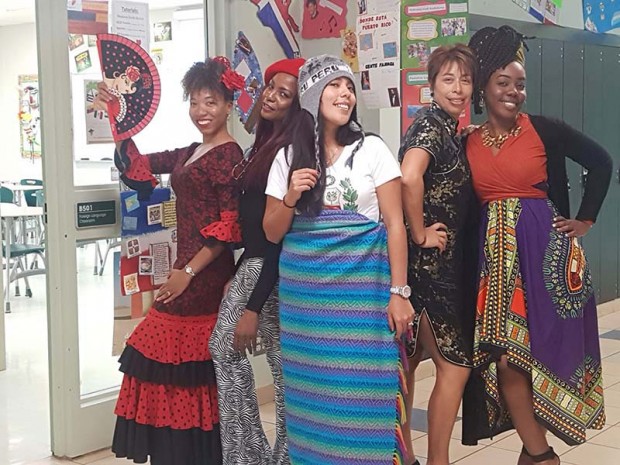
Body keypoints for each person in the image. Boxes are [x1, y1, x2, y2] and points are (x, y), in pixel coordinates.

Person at [462, 26, 611, 465]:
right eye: (503, 83)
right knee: (507, 360)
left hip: (548, 260)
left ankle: (535, 455)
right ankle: (541, 455)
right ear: (484, 86)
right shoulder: (467, 141)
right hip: (497, 265)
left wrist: (584, 220)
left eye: (520, 84)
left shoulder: (543, 130)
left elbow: (601, 162)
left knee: (538, 356)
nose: (514, 92)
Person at [263, 55, 415, 464]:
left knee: (360, 391)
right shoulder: (287, 157)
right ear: (313, 94)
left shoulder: (372, 149)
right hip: (306, 310)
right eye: (335, 85)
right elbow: (272, 232)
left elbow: (394, 225)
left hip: (362, 300)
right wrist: (291, 196)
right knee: (313, 398)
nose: (346, 94)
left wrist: (399, 292)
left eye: (350, 87)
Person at [94, 56, 245, 465]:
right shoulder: (193, 151)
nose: (201, 111)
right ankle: (181, 452)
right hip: (186, 269)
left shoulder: (229, 156)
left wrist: (187, 273)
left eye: (211, 102)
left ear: (228, 105)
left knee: (174, 361)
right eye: (194, 102)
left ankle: (188, 452)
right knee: (174, 366)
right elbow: (141, 165)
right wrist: (118, 116)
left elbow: (229, 227)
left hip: (204, 274)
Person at [209, 57, 305, 465]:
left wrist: (251, 306)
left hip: (273, 270)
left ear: (297, 106)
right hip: (254, 265)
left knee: (277, 368)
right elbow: (253, 229)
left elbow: (277, 239)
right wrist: (238, 272)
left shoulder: (289, 152)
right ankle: (255, 454)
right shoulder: (261, 148)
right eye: (270, 87)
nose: (271, 97)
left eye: (284, 94)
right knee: (235, 352)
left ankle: (275, 456)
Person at [398, 44, 478, 465]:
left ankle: (406, 458)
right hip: (430, 268)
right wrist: (420, 233)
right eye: (448, 79)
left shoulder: (444, 128)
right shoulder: (430, 125)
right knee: (456, 366)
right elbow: (409, 177)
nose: (458, 88)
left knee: (408, 363)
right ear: (431, 85)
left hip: (422, 270)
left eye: (465, 80)